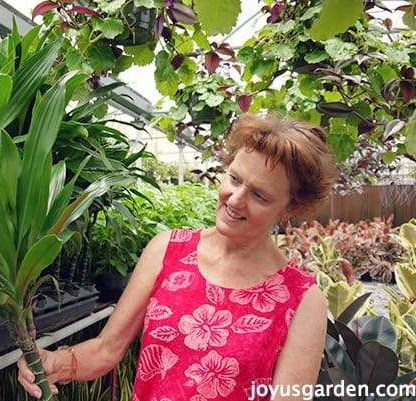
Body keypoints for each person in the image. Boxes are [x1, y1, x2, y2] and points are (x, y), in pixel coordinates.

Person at [17, 112, 340, 400]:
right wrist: (53, 363)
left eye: (259, 195)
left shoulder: (301, 300)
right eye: (234, 178)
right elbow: (105, 350)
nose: (235, 199)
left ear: (291, 208)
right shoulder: (167, 251)